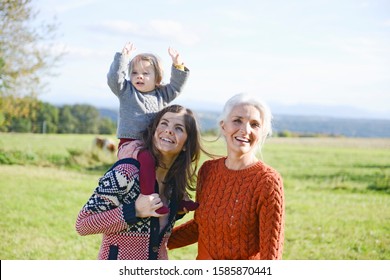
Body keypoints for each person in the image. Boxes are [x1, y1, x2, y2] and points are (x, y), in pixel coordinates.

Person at [75, 105, 202, 260]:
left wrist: (176, 212)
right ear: (154, 131)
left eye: (179, 128)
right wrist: (134, 211)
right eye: (164, 123)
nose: (169, 130)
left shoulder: (174, 187)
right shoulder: (126, 173)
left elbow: (154, 233)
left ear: (187, 144)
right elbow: (83, 224)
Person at [168, 93, 285, 260]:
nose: (245, 130)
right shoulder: (208, 170)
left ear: (262, 133)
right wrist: (157, 241)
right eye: (237, 120)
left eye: (255, 124)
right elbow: (201, 227)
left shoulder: (268, 181)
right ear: (224, 126)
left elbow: (271, 257)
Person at [107, 42, 198, 214]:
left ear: (157, 79)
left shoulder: (161, 95)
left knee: (172, 162)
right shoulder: (127, 91)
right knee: (148, 159)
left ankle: (179, 200)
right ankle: (149, 199)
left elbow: (176, 87)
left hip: (152, 144)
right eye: (134, 73)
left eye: (145, 73)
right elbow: (114, 79)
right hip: (131, 144)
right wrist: (122, 58)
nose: (138, 76)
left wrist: (178, 65)